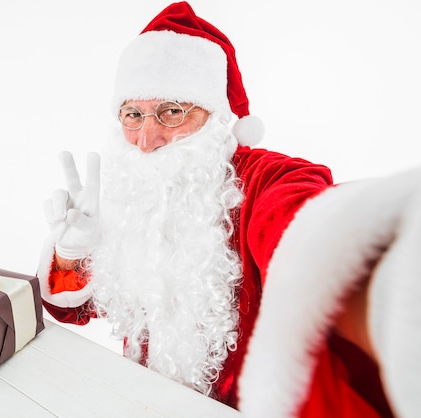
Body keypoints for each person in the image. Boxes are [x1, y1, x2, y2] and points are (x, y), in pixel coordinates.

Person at [37, 2, 421, 417]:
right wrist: (73, 254)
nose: (147, 139)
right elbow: (70, 310)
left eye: (171, 111)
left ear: (215, 116)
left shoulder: (266, 179)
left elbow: (308, 226)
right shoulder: (131, 195)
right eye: (133, 114)